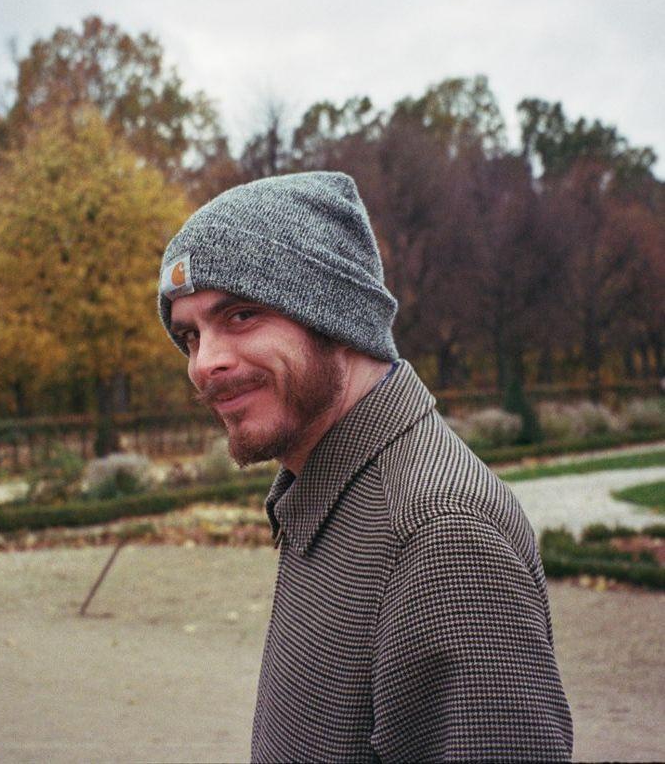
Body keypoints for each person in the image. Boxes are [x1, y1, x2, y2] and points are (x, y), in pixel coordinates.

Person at [157, 171, 573, 763]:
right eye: (191, 336)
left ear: (339, 316)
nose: (205, 363)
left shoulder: (440, 537)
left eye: (242, 315)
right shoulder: (328, 493)